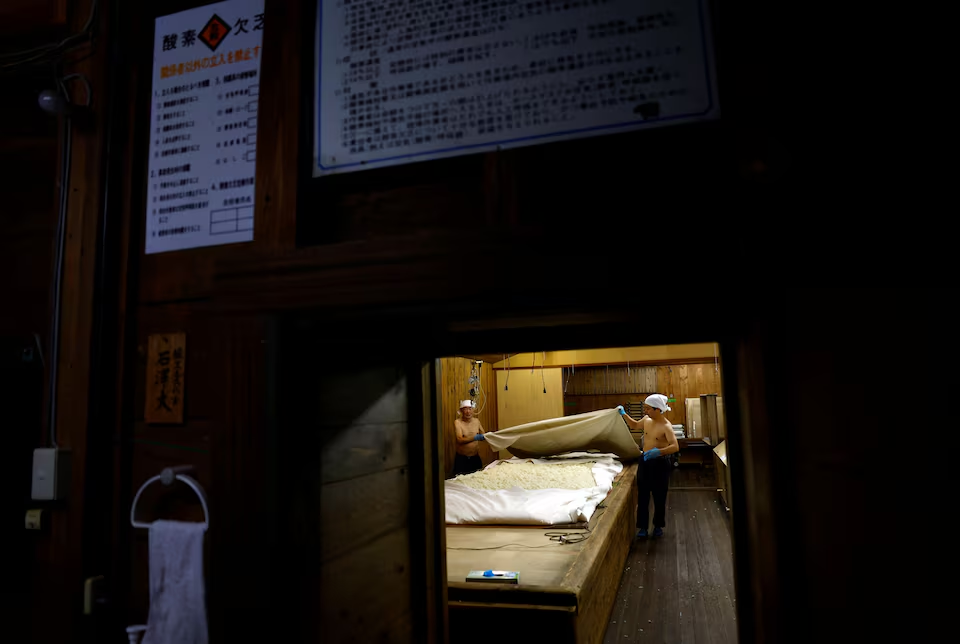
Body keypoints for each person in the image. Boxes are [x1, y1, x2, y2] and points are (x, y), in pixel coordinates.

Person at [617, 394, 680, 538]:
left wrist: (659, 452)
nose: (645, 411)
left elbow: (675, 446)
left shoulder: (666, 427)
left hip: (660, 463)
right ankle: (643, 528)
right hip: (645, 461)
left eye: (648, 409)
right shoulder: (647, 420)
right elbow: (633, 425)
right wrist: (624, 414)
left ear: (658, 409)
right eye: (645, 408)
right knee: (643, 496)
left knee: (659, 496)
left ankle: (658, 526)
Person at [453, 400, 487, 476]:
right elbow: (460, 439)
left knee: (478, 479)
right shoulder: (458, 422)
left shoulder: (477, 421)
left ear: (473, 410)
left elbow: (484, 436)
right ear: (461, 411)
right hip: (462, 459)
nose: (468, 412)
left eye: (470, 409)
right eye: (465, 409)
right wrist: (475, 437)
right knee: (460, 482)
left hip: (475, 457)